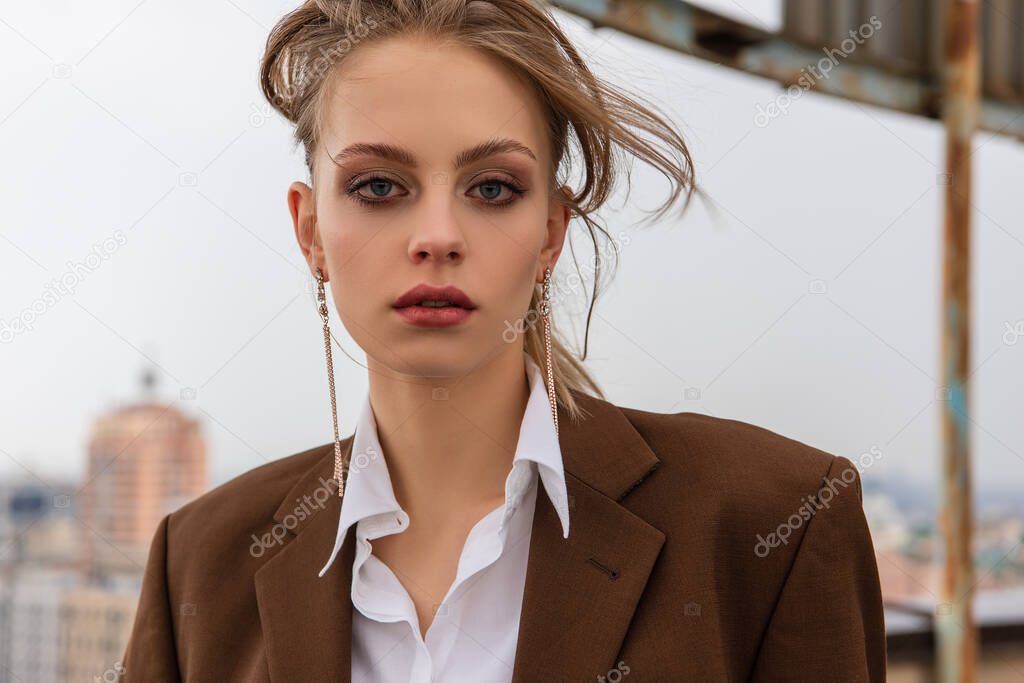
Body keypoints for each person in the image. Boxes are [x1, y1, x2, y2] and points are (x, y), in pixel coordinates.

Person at [121, 1, 886, 680]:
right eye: (379, 186)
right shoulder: (199, 562)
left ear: (550, 230)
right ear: (310, 229)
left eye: (492, 188)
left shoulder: (771, 521)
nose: (438, 237)